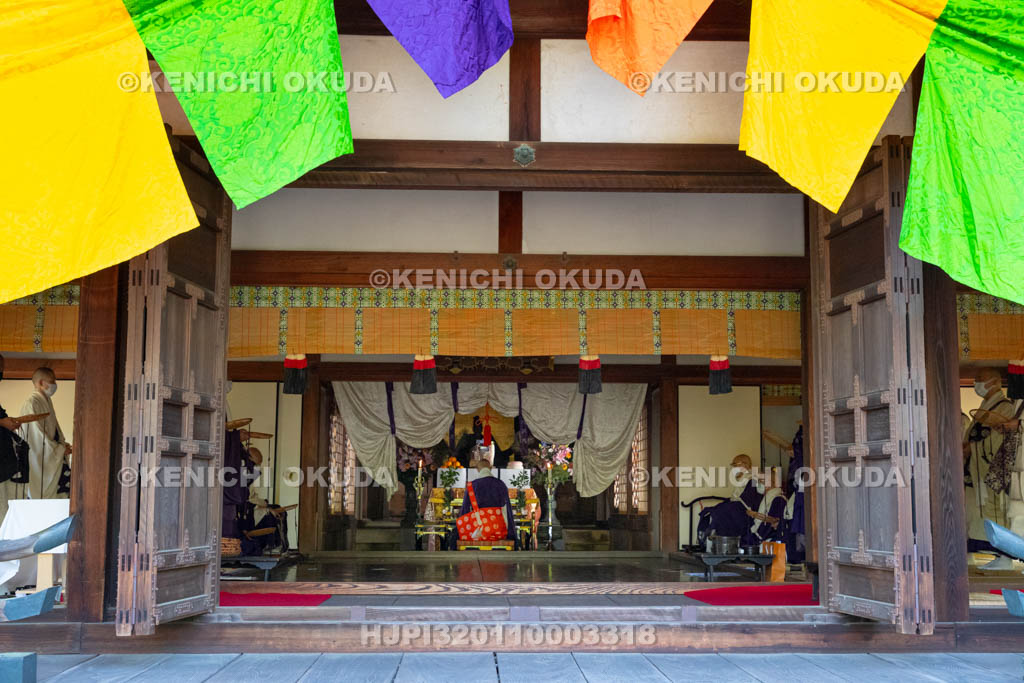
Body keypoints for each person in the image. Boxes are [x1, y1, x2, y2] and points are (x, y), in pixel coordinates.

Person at [963, 368, 1018, 561]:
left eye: (980, 379)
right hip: (975, 470)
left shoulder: (1005, 408)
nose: (976, 384)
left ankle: (1003, 558)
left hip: (991, 469)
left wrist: (974, 448)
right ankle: (985, 554)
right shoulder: (987, 405)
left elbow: (999, 440)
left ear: (994, 383)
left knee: (995, 511)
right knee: (975, 513)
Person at [19, 367, 71, 500]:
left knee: (64, 494)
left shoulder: (46, 401)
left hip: (53, 457)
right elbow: (37, 438)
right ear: (41, 383)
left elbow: (54, 431)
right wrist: (59, 450)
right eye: (52, 381)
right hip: (42, 460)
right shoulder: (31, 403)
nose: (55, 384)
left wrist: (62, 445)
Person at [696, 454, 763, 545]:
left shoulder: (753, 480)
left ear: (745, 465)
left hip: (746, 513)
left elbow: (749, 502)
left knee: (722, 512)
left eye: (736, 465)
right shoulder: (743, 479)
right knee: (712, 510)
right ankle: (709, 537)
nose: (733, 469)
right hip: (737, 508)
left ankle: (716, 537)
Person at [457, 449, 516, 544]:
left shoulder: (472, 485)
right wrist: (511, 533)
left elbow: (465, 509)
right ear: (491, 468)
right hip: (498, 529)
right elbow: (507, 509)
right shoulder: (500, 484)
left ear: (477, 469)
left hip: (477, 531)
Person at [743, 469, 787, 546]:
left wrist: (755, 515)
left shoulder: (778, 499)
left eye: (762, 481)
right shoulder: (764, 499)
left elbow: (773, 524)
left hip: (769, 541)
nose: (759, 484)